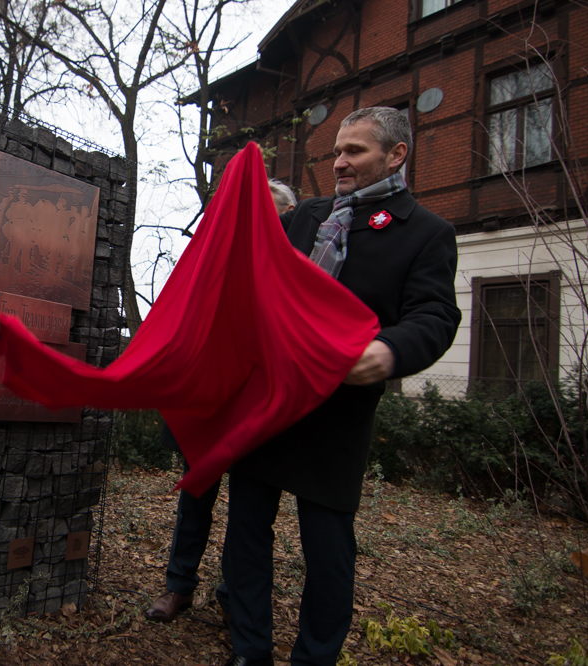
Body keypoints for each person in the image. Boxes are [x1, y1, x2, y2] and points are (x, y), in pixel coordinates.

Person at [219, 107, 461, 666]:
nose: (339, 162)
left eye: (354, 151)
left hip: (337, 416)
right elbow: (250, 273)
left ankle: (314, 658)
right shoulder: (304, 217)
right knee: (246, 535)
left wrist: (390, 350)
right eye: (335, 152)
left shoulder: (427, 232)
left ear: (396, 154)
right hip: (269, 403)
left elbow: (434, 315)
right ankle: (249, 651)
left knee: (328, 554)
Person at [145, 179, 298, 623]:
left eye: (270, 212)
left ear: (288, 216)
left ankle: (237, 595)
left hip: (259, 408)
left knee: (251, 515)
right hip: (210, 404)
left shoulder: (293, 264)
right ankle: (179, 587)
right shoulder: (221, 255)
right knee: (195, 499)